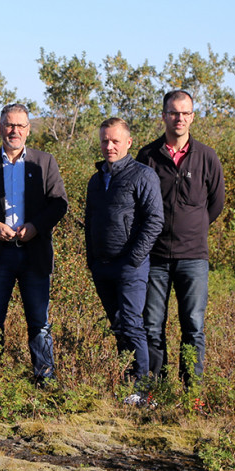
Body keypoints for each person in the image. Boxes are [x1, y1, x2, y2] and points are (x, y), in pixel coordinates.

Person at [0, 104, 68, 385]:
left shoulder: (44, 162)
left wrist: (36, 226)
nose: (15, 131)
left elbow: (59, 204)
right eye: (9, 125)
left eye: (21, 126)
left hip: (34, 252)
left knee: (39, 322)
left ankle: (45, 377)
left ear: (29, 129)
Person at [136, 90, 225, 385]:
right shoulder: (147, 156)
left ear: (193, 117)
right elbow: (136, 203)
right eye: (174, 112)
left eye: (185, 113)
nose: (180, 118)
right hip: (155, 256)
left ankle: (191, 392)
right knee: (151, 326)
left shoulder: (207, 157)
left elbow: (216, 203)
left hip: (193, 256)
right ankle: (155, 388)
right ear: (163, 116)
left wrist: (195, 226)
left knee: (193, 326)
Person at [85, 118, 163, 398]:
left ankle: (143, 391)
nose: (109, 146)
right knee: (118, 326)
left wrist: (133, 259)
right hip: (102, 266)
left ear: (128, 143)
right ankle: (128, 384)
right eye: (105, 140)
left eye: (115, 141)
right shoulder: (96, 180)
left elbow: (155, 220)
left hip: (130, 266)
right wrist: (91, 259)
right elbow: (90, 219)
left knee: (132, 324)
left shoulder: (142, 175)